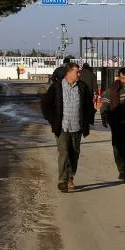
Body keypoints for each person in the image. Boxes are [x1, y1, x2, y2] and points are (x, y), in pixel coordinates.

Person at [41, 62, 95, 192]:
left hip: (77, 127)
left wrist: (88, 120)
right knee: (64, 153)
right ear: (68, 72)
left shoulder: (82, 87)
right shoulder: (57, 87)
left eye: (79, 71)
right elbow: (45, 104)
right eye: (77, 72)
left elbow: (88, 105)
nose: (79, 74)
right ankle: (62, 180)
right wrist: (52, 119)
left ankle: (70, 177)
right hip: (62, 127)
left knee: (74, 154)